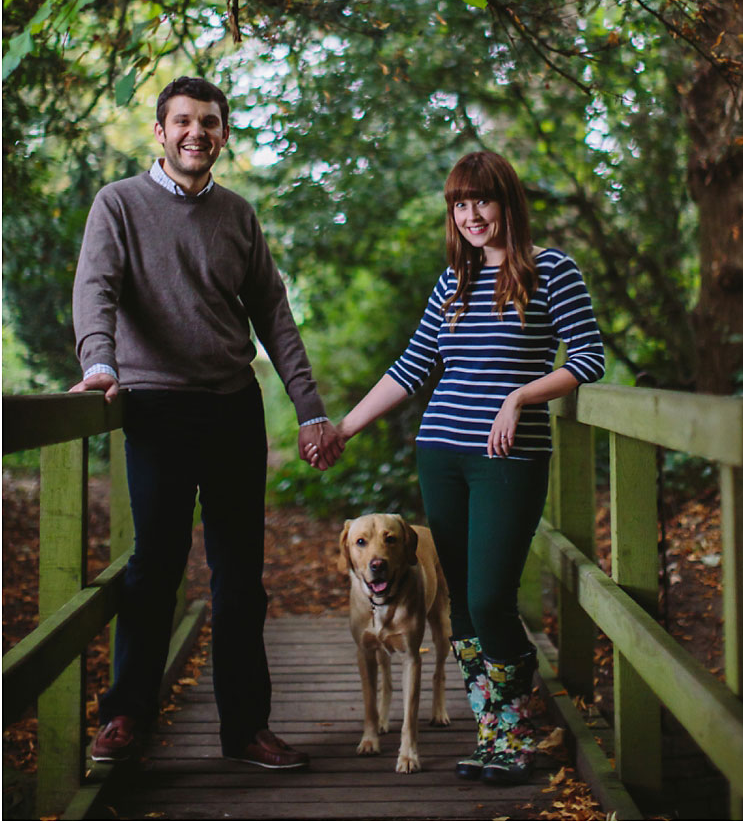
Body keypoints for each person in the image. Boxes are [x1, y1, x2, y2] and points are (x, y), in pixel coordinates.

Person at [70, 75, 343, 769]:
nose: (197, 132)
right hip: (155, 406)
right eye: (184, 121)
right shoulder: (119, 205)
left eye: (211, 122)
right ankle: (126, 715)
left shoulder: (238, 216)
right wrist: (99, 365)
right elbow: (95, 292)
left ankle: (246, 727)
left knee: (239, 577)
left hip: (232, 408)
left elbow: (275, 317)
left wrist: (310, 408)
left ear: (223, 135)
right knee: (153, 569)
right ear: (160, 132)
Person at [336, 150, 604, 784]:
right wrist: (343, 429)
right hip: (442, 456)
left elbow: (589, 358)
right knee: (461, 605)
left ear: (507, 202)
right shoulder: (452, 282)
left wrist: (520, 396)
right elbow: (411, 369)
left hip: (509, 458)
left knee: (490, 599)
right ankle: (495, 731)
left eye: (482, 199)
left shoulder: (551, 272)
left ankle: (528, 727)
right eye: (459, 203)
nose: (471, 214)